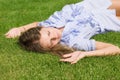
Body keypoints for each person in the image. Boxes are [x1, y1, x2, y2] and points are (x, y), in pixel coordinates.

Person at [5, 0, 120, 64]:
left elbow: (36, 24)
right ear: (50, 47)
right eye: (52, 42)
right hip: (111, 16)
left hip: (96, 3)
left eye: (49, 33)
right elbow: (115, 49)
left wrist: (19, 29)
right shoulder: (73, 42)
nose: (55, 36)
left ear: (43, 28)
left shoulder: (49, 23)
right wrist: (84, 54)